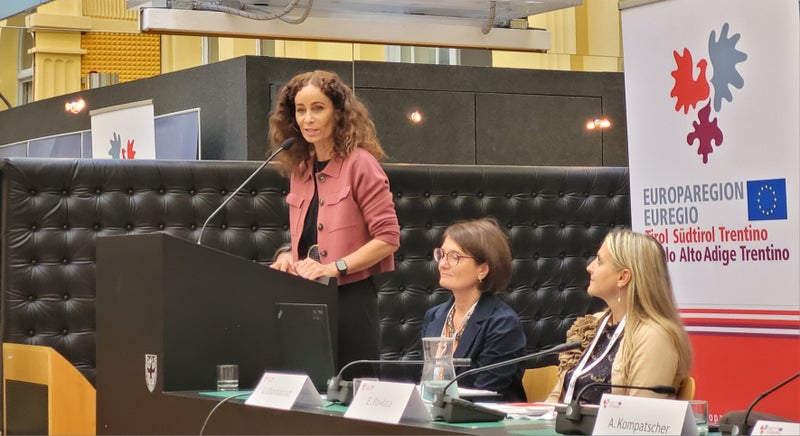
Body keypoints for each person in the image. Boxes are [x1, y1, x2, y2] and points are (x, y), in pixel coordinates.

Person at [268, 70, 400, 373]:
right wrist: (288, 257)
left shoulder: (361, 164)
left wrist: (333, 267)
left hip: (351, 299)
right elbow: (310, 238)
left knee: (353, 387)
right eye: (300, 110)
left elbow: (388, 238)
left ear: (338, 113)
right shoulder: (300, 169)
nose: (308, 119)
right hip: (307, 297)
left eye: (318, 108)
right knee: (311, 385)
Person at [546, 230, 693, 405]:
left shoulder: (654, 337)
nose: (589, 267)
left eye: (599, 261)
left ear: (623, 277)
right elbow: (557, 396)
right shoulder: (592, 325)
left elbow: (639, 414)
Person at [422, 218, 527, 402]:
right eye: (442, 254)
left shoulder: (502, 324)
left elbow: (485, 393)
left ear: (483, 270)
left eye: (455, 257)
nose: (443, 264)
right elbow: (424, 382)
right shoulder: (434, 316)